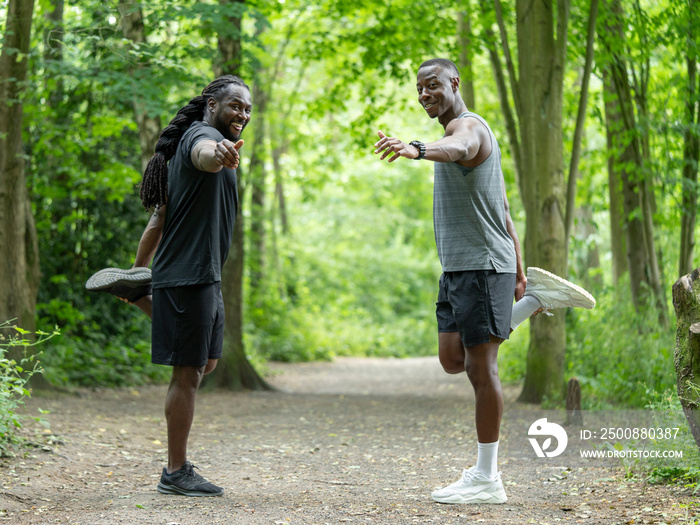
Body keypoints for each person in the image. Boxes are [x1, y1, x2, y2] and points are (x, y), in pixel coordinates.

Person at [374, 58, 594, 505]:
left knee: (480, 366)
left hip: (480, 265)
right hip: (462, 266)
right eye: (419, 89)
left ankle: (487, 477)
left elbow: (456, 148)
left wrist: (416, 149)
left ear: (454, 82)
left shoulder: (468, 128)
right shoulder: (454, 129)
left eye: (432, 85)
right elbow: (505, 210)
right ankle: (534, 299)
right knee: (452, 359)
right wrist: (519, 270)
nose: (424, 95)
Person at [86, 75, 252, 497]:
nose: (242, 115)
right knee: (188, 373)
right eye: (235, 106)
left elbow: (158, 218)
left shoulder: (186, 146)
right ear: (212, 104)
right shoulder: (201, 138)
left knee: (207, 363)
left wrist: (138, 270)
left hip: (203, 273)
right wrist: (218, 154)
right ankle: (175, 471)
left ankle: (140, 292)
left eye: (248, 109)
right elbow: (205, 156)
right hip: (188, 273)